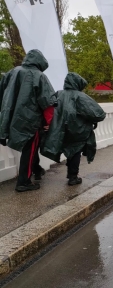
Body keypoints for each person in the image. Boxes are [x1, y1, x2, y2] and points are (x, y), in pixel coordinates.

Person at [0, 49, 57, 192]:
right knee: (30, 149)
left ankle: (37, 170)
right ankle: (23, 182)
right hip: (30, 120)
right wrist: (48, 123)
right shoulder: (39, 76)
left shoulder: (12, 72)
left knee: (30, 149)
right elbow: (48, 102)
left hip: (12, 117)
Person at [41, 73, 106, 186]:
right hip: (77, 130)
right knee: (75, 151)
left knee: (69, 150)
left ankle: (71, 174)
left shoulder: (58, 94)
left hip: (61, 130)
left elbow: (49, 108)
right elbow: (99, 114)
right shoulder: (81, 96)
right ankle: (73, 176)